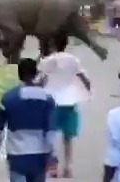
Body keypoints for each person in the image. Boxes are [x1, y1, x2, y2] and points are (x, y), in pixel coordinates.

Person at [0, 58, 55, 182]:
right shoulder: (48, 99)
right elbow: (51, 131)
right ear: (35, 74)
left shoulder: (8, 98)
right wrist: (52, 155)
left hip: (17, 156)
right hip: (40, 156)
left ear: (19, 75)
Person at [38, 34, 91, 178]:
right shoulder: (73, 60)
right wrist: (88, 91)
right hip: (69, 101)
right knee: (68, 137)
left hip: (51, 101)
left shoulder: (48, 61)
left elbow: (41, 79)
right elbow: (83, 77)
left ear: (52, 46)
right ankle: (68, 167)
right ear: (65, 44)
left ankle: (53, 166)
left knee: (51, 135)